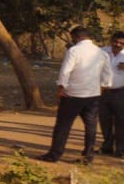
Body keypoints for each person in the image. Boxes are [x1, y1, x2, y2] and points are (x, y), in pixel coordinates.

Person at [39, 27, 113, 163]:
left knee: (63, 125)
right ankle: (88, 155)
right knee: (91, 126)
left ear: (76, 37)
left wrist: (61, 86)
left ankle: (55, 154)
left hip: (73, 94)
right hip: (92, 95)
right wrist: (103, 86)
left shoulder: (74, 51)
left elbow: (65, 71)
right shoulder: (101, 52)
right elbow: (107, 73)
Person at [98, 30, 124, 157]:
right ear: (111, 41)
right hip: (103, 91)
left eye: (121, 43)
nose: (117, 45)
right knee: (104, 119)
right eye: (115, 42)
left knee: (121, 121)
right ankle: (107, 147)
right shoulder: (102, 52)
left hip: (122, 92)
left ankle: (120, 149)